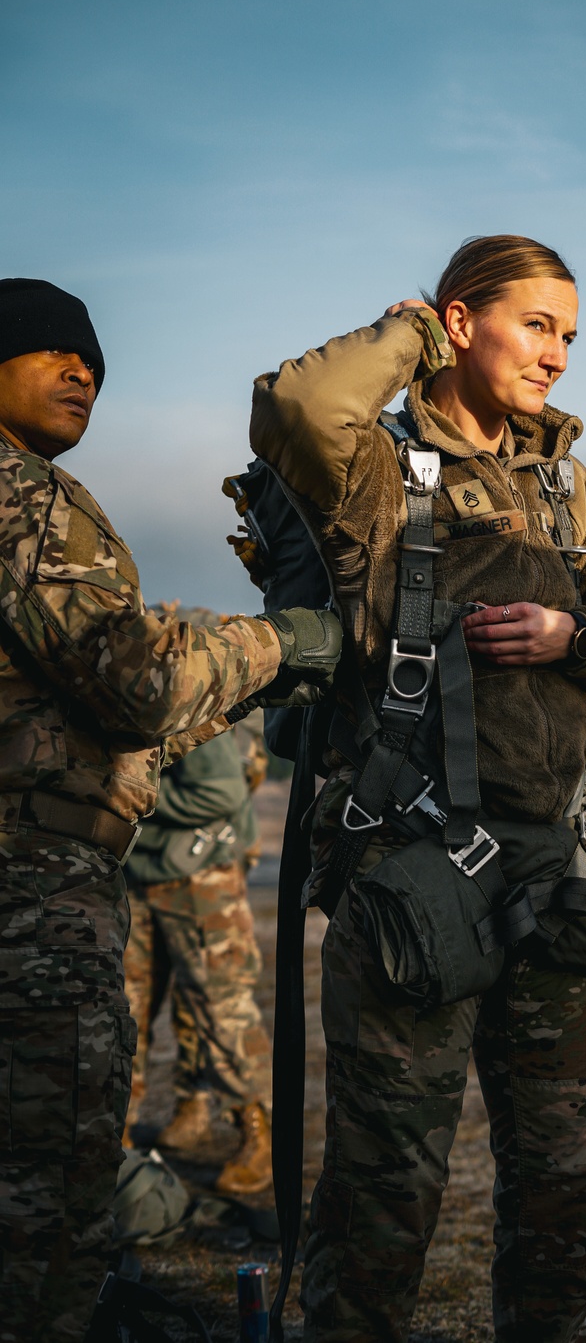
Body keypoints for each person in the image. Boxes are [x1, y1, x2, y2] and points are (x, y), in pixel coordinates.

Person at [247, 235, 586, 1343]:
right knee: (385, 1195)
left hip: (552, 877)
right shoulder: (378, 474)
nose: (558, 357)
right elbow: (294, 409)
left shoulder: (567, 487)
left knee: (563, 1184)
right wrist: (403, 336)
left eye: (571, 334)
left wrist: (570, 632)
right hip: (415, 877)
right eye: (536, 325)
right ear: (459, 322)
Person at [0, 277, 341, 1343]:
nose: (82, 371)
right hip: (29, 891)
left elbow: (91, 723)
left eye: (94, 362)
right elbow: (132, 682)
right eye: (49, 351)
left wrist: (247, 686)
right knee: (44, 1199)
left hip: (49, 873)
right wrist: (280, 644)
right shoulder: (21, 496)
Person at [122, 697, 274, 1196]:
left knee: (220, 1009)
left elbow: (221, 792)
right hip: (137, 875)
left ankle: (259, 1133)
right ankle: (117, 1135)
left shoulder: (162, 694)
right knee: (122, 1012)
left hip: (200, 877)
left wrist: (122, 795)